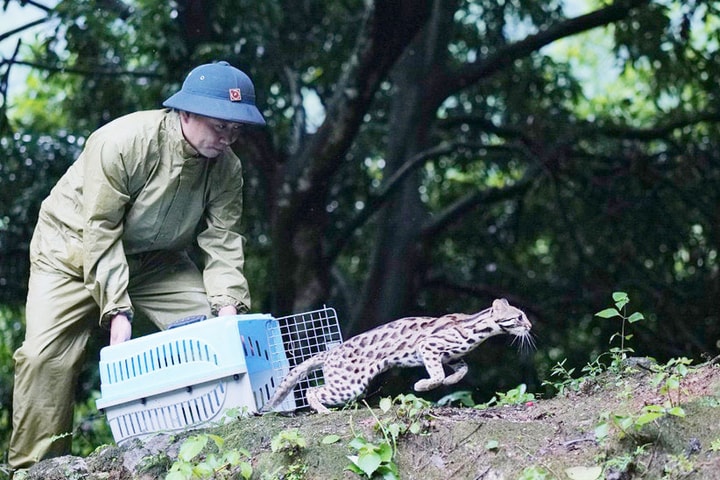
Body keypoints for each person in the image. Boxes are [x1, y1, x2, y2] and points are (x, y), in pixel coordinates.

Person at [8, 60, 265, 469]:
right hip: (70, 252)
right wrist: (118, 311)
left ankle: (224, 447)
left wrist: (227, 307)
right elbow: (101, 228)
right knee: (44, 359)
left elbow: (223, 239)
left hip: (155, 261)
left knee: (217, 335)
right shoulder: (122, 142)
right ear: (186, 111)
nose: (228, 138)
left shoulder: (227, 168)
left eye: (236, 129)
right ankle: (38, 471)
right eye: (220, 126)